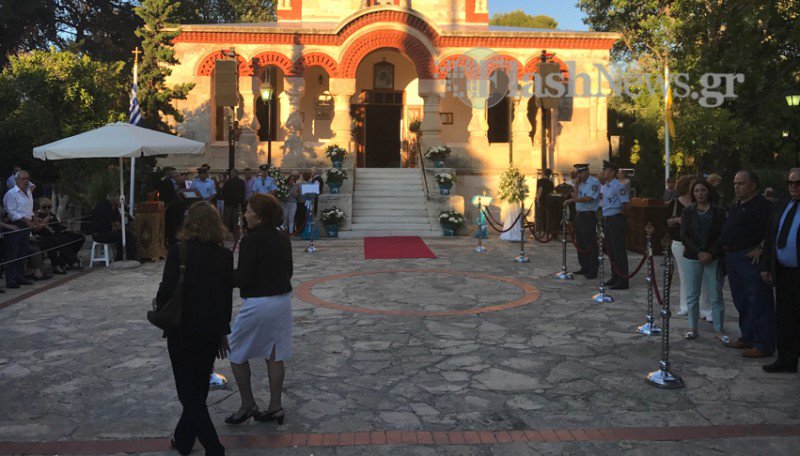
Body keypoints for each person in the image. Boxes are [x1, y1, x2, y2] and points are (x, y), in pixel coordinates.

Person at [156, 201, 232, 456]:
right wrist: (222, 332)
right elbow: (225, 300)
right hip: (209, 331)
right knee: (198, 389)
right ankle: (183, 438)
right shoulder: (224, 256)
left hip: (182, 329)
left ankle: (214, 448)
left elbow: (166, 291)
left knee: (188, 393)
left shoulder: (179, 251)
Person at [226, 194, 293, 426]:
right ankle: (275, 406)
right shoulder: (282, 237)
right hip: (282, 300)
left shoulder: (251, 241)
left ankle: (248, 403)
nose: (245, 215)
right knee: (275, 354)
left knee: (235, 350)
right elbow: (289, 270)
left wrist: (220, 276)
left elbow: (244, 277)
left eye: (248, 211)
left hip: (259, 302)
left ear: (260, 216)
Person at [719, 170, 775, 358]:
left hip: (749, 258)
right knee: (741, 300)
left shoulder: (762, 206)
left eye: (741, 183)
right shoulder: (737, 204)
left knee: (757, 300)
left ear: (753, 185)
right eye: (735, 183)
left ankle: (763, 343)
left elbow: (773, 230)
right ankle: (747, 336)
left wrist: (762, 248)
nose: (736, 187)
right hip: (733, 257)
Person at [760, 168, 800, 373]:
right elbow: (771, 236)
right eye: (790, 183)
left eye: (798, 183)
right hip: (784, 272)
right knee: (785, 317)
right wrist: (766, 266)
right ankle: (786, 360)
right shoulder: (783, 204)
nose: (794, 187)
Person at [680, 179, 728, 341]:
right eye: (697, 191)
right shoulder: (688, 212)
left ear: (709, 191)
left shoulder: (719, 212)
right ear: (693, 194)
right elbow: (684, 235)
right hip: (692, 256)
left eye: (703, 190)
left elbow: (722, 235)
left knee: (716, 294)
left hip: (713, 257)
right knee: (692, 295)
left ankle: (719, 329)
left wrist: (710, 253)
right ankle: (692, 328)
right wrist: (698, 252)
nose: (700, 193)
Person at [563, 164, 599, 279]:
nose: (579, 175)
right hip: (579, 215)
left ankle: (593, 269)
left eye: (580, 173)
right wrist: (576, 185)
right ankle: (584, 266)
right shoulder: (581, 183)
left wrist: (571, 200)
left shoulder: (593, 182)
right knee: (580, 243)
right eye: (578, 173)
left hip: (588, 215)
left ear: (586, 172)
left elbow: (589, 198)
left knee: (589, 243)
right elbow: (576, 195)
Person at [598, 161, 630, 289]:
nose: (603, 173)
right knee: (610, 250)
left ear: (611, 172)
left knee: (618, 251)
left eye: (605, 170)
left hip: (616, 219)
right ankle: (615, 276)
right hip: (607, 220)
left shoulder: (618, 186)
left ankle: (623, 280)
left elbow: (625, 204)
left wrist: (623, 219)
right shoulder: (606, 186)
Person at [32, 198, 85, 273]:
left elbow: (58, 226)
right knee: (61, 242)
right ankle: (73, 262)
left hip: (58, 234)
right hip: (47, 236)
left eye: (49, 207)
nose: (47, 209)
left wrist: (65, 229)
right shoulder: (38, 217)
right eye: (44, 207)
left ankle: (65, 260)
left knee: (80, 238)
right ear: (40, 208)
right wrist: (45, 221)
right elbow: (37, 229)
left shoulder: (52, 215)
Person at [3, 170, 36, 289]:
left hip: (26, 224)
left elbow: (28, 208)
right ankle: (11, 279)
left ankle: (20, 276)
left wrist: (33, 219)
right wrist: (26, 221)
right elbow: (12, 212)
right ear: (16, 180)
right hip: (16, 224)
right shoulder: (11, 194)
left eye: (27, 179)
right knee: (12, 253)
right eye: (23, 179)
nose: (26, 181)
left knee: (22, 252)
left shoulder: (28, 192)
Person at [91, 192, 137, 261]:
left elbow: (115, 222)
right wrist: (126, 230)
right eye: (118, 199)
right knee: (125, 235)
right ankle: (125, 256)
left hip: (106, 231)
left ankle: (124, 256)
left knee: (124, 234)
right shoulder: (105, 206)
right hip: (99, 234)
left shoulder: (113, 207)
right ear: (115, 199)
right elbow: (117, 224)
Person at [159, 170, 184, 247]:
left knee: (174, 224)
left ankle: (173, 239)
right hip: (170, 207)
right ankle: (170, 240)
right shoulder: (167, 182)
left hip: (175, 207)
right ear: (175, 176)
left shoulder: (175, 183)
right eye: (179, 176)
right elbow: (166, 195)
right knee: (170, 224)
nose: (180, 178)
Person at [221, 169, 246, 237]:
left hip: (228, 204)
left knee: (227, 219)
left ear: (231, 174)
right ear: (238, 174)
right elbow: (243, 193)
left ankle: (226, 234)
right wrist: (241, 203)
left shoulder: (227, 182)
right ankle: (236, 234)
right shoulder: (242, 182)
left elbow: (224, 193)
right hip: (237, 204)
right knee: (236, 220)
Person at [535, 169, 555, 234]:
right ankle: (546, 230)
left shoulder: (540, 181)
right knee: (546, 216)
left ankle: (539, 231)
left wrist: (538, 199)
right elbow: (552, 192)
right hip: (548, 200)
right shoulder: (551, 183)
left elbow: (540, 189)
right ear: (550, 175)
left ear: (543, 174)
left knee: (539, 216)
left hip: (541, 200)